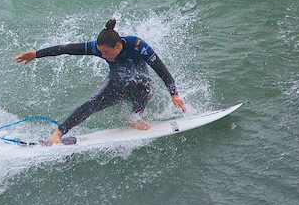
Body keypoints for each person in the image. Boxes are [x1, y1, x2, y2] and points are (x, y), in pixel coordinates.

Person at [15, 19, 186, 144]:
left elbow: (161, 70)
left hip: (139, 83)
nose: (102, 56)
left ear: (117, 47)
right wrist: (37, 54)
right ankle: (58, 132)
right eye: (100, 52)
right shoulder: (98, 48)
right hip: (116, 83)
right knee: (92, 104)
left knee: (146, 86)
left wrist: (174, 94)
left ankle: (135, 117)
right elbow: (66, 49)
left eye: (105, 52)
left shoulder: (138, 45)